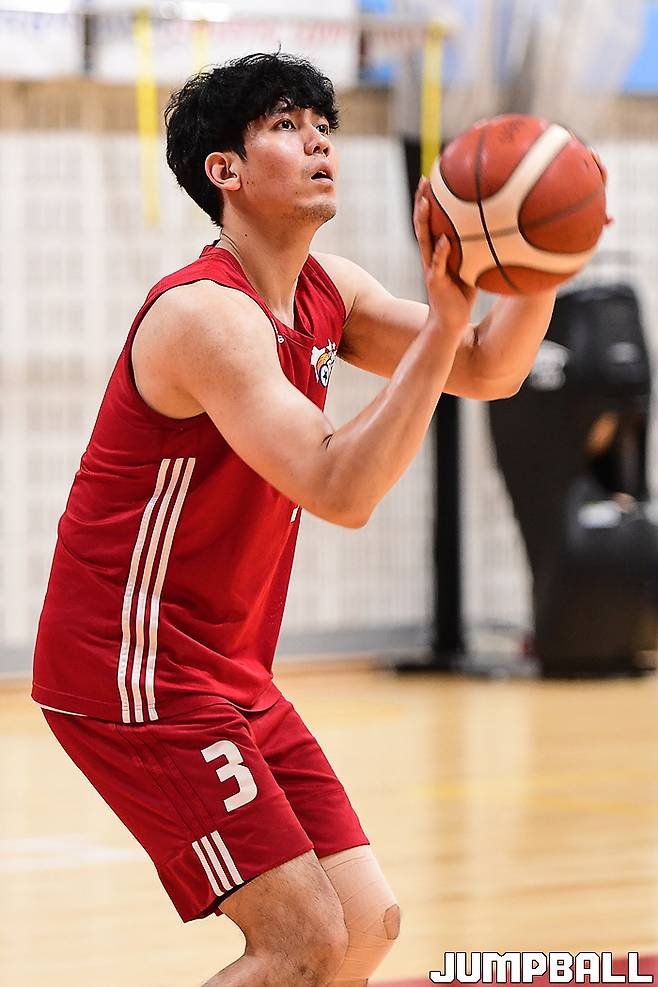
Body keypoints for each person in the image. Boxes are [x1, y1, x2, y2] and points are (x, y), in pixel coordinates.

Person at [31, 52, 556, 987]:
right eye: (285, 125)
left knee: (364, 924)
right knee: (303, 940)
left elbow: (486, 367)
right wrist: (443, 326)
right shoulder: (204, 316)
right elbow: (339, 487)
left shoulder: (328, 290)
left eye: (324, 126)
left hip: (226, 668)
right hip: (133, 665)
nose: (318, 141)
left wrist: (543, 260)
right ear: (224, 170)